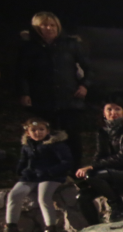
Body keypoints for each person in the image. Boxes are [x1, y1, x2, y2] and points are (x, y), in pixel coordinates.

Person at [16, 12, 92, 171]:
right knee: (44, 137)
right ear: (36, 28)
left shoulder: (70, 44)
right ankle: (46, 171)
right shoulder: (29, 47)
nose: (49, 28)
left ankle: (74, 171)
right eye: (44, 25)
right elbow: (22, 73)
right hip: (42, 99)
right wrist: (25, 93)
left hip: (69, 98)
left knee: (72, 136)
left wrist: (84, 85)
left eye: (52, 25)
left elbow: (88, 68)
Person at [75, 98, 123, 224]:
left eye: (117, 109)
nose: (113, 112)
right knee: (82, 197)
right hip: (114, 171)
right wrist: (91, 169)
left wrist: (92, 168)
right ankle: (96, 231)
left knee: (93, 175)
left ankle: (119, 207)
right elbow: (100, 154)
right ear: (103, 112)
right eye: (109, 109)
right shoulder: (103, 131)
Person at [3, 118, 74, 232]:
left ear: (47, 131)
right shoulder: (27, 146)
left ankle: (50, 229)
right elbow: (23, 161)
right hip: (31, 176)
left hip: (51, 176)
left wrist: (50, 171)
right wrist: (21, 170)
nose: (38, 132)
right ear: (27, 133)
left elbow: (66, 162)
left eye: (41, 129)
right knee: (14, 195)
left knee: (43, 197)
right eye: (34, 130)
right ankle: (11, 226)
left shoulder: (56, 144)